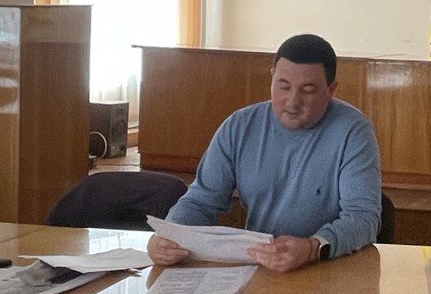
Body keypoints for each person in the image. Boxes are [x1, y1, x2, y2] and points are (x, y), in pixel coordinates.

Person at [146, 33, 381, 272]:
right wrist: (170, 234)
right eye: (283, 86)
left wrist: (313, 248)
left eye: (308, 90)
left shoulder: (353, 132)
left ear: (331, 90)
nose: (292, 101)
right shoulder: (240, 126)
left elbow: (363, 217)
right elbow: (201, 201)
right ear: (272, 78)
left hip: (328, 267)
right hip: (260, 265)